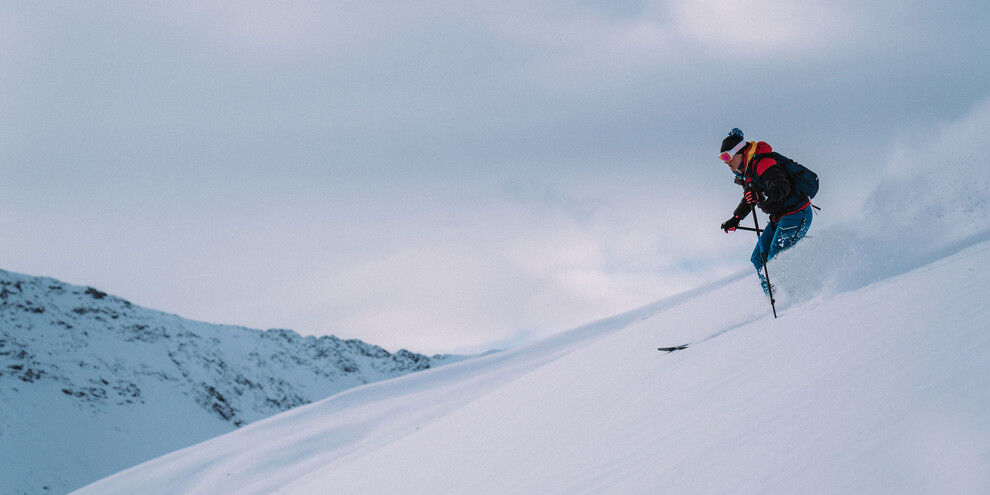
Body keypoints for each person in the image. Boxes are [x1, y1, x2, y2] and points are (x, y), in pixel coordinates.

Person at [718, 128, 813, 294]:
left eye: (727, 156)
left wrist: (761, 194)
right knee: (757, 258)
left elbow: (782, 187)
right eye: (722, 158)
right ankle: (775, 295)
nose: (726, 161)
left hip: (796, 213)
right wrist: (736, 218)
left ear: (739, 152)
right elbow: (749, 199)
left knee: (775, 259)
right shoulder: (746, 172)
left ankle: (795, 295)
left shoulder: (762, 163)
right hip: (779, 218)